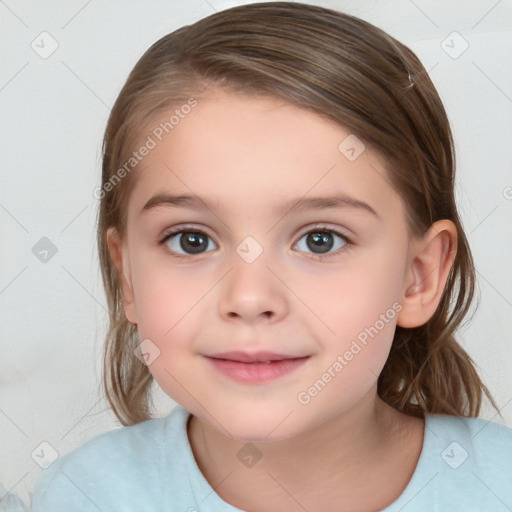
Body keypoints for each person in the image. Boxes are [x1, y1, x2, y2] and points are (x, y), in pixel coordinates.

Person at [31, 2, 512, 511]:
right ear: (127, 275)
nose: (250, 298)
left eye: (320, 239)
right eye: (191, 240)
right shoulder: (82, 495)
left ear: (419, 278)